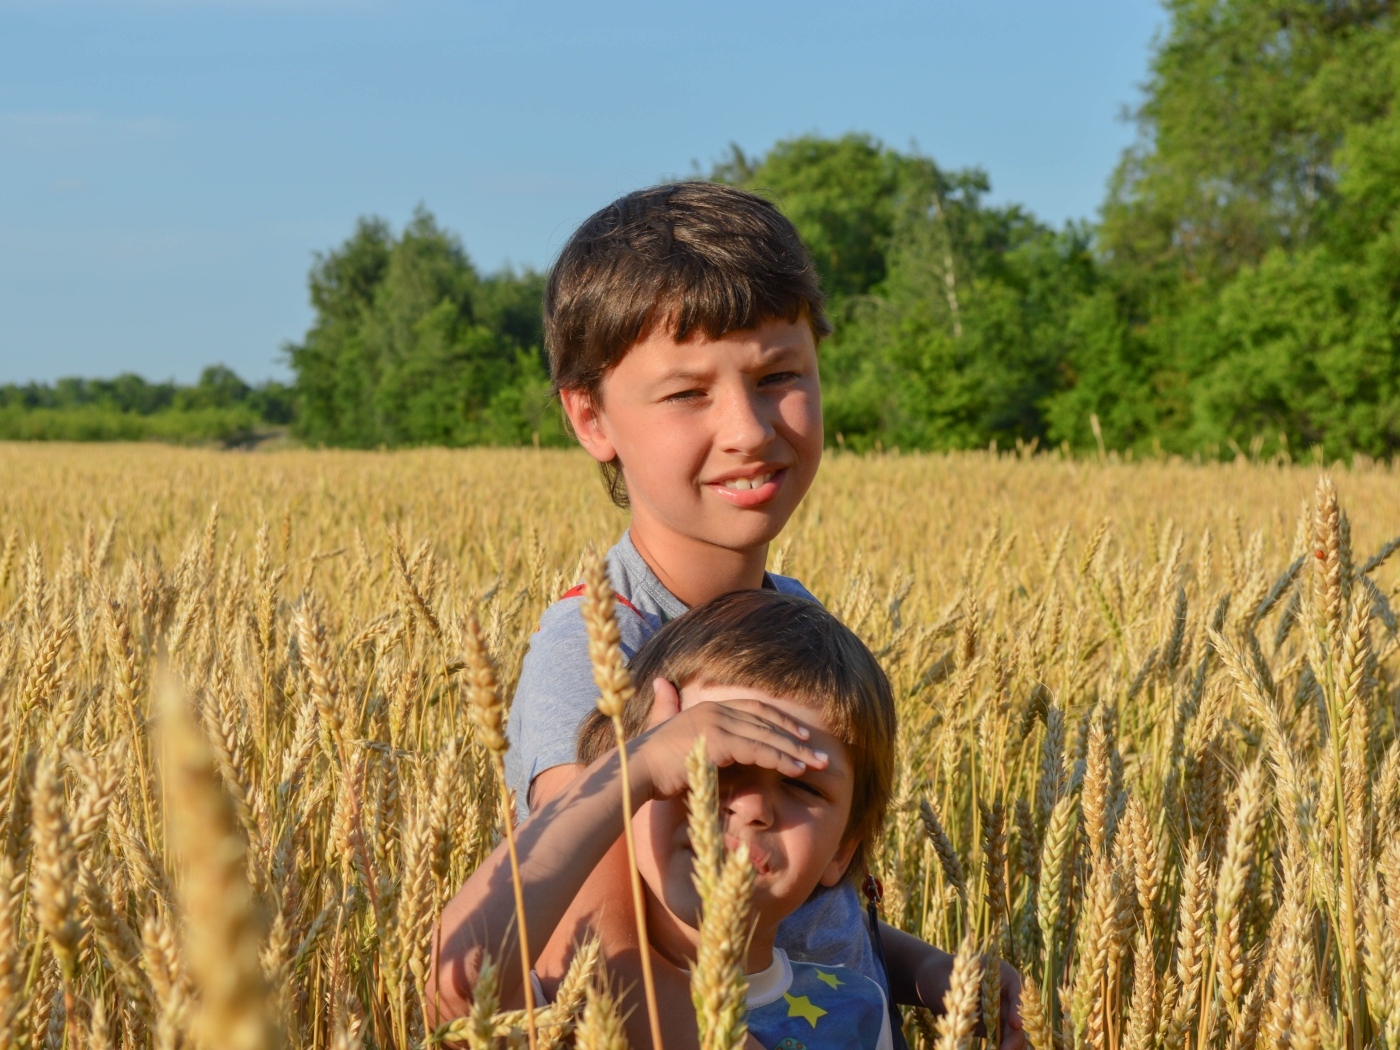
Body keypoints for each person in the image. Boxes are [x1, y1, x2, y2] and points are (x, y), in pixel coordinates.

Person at [497, 181, 1022, 1045]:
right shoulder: (590, 659)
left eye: (779, 376)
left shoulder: (794, 615)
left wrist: (917, 968)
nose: (747, 428)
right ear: (590, 417)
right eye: (687, 394)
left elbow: (791, 910)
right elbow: (604, 945)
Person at [437, 590, 903, 1049]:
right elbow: (461, 977)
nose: (753, 807)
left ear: (843, 849)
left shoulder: (858, 1012)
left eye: (802, 784)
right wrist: (631, 769)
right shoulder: (566, 1004)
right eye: (707, 764)